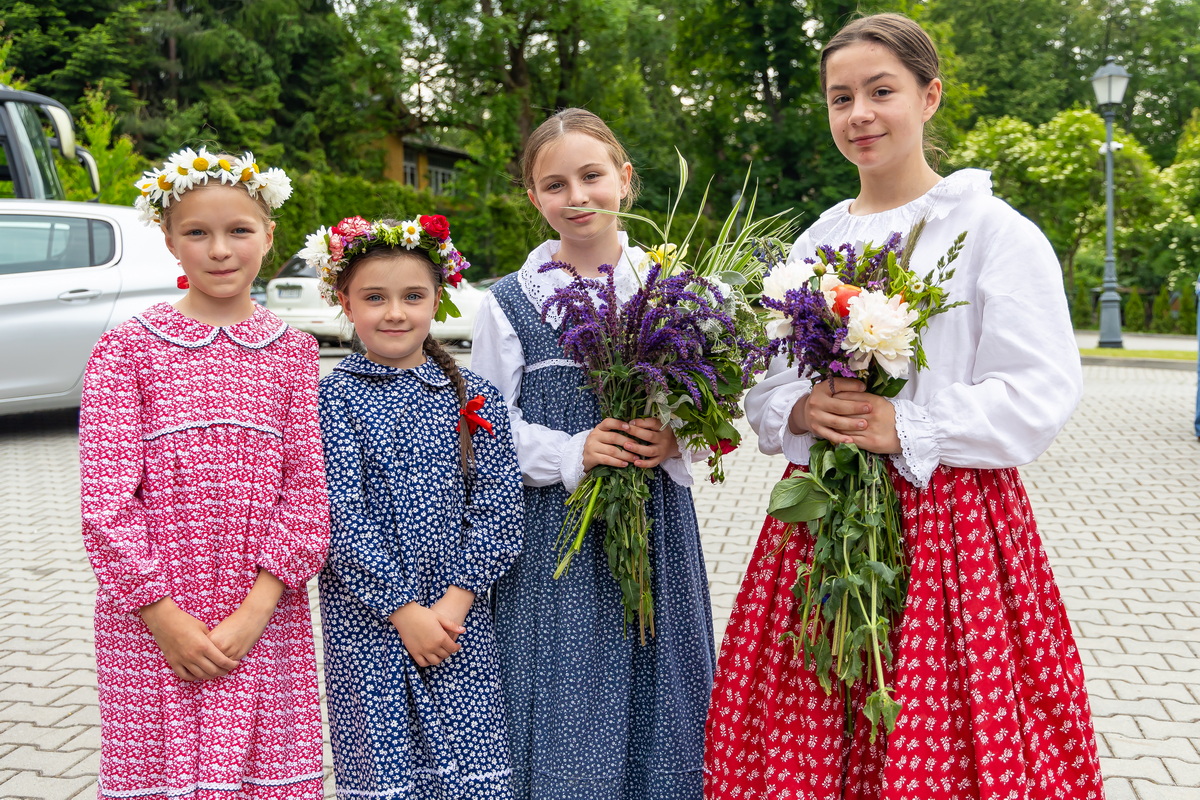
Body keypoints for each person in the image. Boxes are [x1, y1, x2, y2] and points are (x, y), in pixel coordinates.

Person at [704, 14, 1104, 800]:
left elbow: (1040, 390)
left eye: (880, 91)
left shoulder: (993, 232)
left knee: (938, 724)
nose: (859, 115)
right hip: (823, 525)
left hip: (950, 521)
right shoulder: (813, 242)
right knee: (807, 715)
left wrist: (909, 424)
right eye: (839, 97)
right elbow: (763, 382)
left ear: (929, 96)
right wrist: (801, 409)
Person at [471, 108, 715, 800]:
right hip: (557, 538)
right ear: (533, 199)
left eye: (591, 176)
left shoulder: (674, 287)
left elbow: (713, 403)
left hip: (656, 524)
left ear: (625, 180)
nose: (576, 197)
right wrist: (576, 447)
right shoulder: (511, 302)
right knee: (563, 692)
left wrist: (678, 434)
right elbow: (488, 426)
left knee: (661, 684)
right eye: (555, 184)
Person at [79, 147, 329, 800]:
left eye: (239, 230)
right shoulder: (127, 348)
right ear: (169, 241)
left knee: (261, 778)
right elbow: (105, 500)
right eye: (197, 232)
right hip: (153, 619)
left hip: (263, 618)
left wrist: (254, 612)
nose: (220, 250)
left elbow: (306, 494)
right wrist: (163, 616)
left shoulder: (295, 353)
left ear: (269, 236)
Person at [309, 215, 524, 798]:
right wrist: (403, 610)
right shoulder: (329, 397)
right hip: (369, 624)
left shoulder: (474, 395)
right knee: (386, 767)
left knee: (469, 767)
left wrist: (454, 603)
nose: (395, 312)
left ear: (439, 301)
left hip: (460, 621)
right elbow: (337, 516)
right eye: (374, 297)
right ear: (345, 304)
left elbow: (500, 506)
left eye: (412, 296)